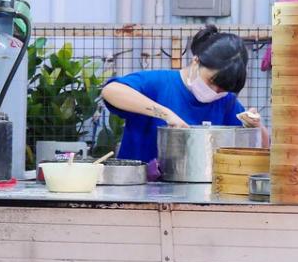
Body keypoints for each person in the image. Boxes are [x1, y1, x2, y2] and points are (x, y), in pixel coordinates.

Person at [102, 25, 267, 164]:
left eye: (223, 89)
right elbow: (111, 91)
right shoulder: (158, 82)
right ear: (196, 61)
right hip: (140, 190)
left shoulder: (226, 102)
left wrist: (257, 127)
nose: (215, 92)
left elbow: (265, 150)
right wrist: (166, 114)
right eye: (211, 82)